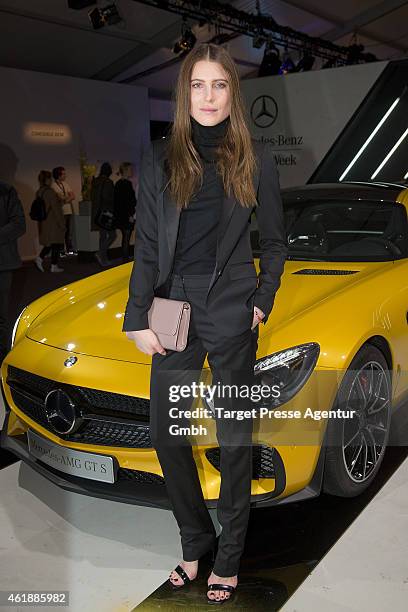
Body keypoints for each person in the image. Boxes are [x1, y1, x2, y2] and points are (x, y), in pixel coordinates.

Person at [123, 43, 287, 605]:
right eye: (198, 85)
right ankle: (196, 541)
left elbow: (276, 241)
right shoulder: (158, 156)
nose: (208, 96)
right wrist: (136, 315)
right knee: (168, 434)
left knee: (235, 440)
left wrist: (262, 297)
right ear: (183, 93)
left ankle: (231, 556)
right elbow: (146, 244)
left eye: (219, 85)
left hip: (233, 306)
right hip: (172, 309)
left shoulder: (254, 157)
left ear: (232, 93)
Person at [0, 181, 26, 363]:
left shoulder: (6, 191)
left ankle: (2, 360)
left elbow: (19, 224)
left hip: (2, 263)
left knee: (1, 317)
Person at [34, 170, 65, 273]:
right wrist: (62, 224)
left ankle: (41, 259)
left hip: (44, 221)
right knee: (55, 243)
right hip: (53, 222)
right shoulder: (50, 192)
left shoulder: (39, 191)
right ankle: (53, 265)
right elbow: (56, 210)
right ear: (47, 179)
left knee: (50, 244)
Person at [90, 162, 116, 267]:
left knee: (103, 236)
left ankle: (103, 259)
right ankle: (101, 254)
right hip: (106, 212)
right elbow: (107, 197)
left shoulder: (95, 182)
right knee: (112, 235)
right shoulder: (108, 182)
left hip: (96, 212)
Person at [114, 162, 136, 264]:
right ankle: (125, 259)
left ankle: (125, 258)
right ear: (126, 170)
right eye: (130, 169)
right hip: (127, 215)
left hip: (121, 215)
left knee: (125, 237)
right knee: (126, 237)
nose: (132, 171)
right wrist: (130, 215)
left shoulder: (118, 184)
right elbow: (128, 202)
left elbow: (118, 202)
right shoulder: (126, 184)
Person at [52, 166, 75, 255]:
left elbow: (73, 196)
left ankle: (70, 251)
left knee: (68, 232)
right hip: (60, 212)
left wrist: (65, 199)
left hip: (68, 211)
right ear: (59, 175)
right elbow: (60, 198)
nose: (65, 175)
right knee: (61, 232)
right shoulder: (53, 185)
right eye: (63, 173)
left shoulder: (65, 184)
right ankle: (61, 251)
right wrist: (66, 198)